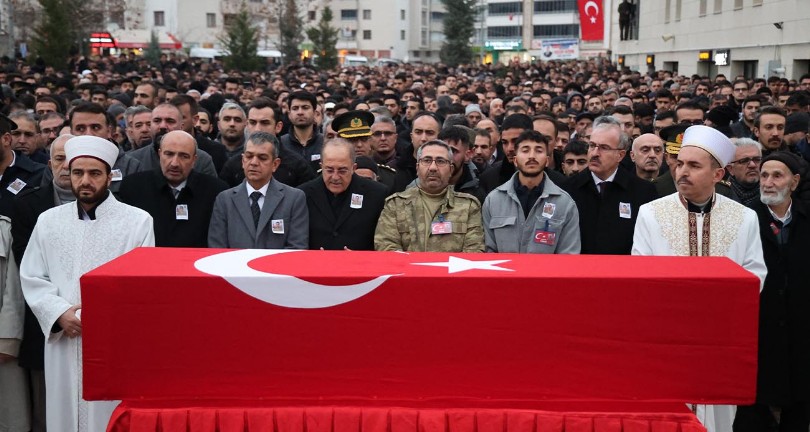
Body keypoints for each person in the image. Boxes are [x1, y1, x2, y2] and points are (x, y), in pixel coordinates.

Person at [632, 125, 767, 432]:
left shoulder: (744, 217)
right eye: (680, 164)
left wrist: (718, 306)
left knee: (718, 416)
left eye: (694, 166)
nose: (683, 172)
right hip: (666, 339)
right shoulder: (650, 214)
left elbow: (755, 273)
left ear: (718, 175)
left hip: (721, 339)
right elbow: (640, 273)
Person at [20, 135, 155, 432]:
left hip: (111, 341)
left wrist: (95, 316)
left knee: (108, 416)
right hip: (63, 339)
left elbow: (139, 283)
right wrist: (59, 313)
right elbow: (32, 275)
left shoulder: (138, 222)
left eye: (94, 173)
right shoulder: (48, 221)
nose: (85, 181)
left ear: (109, 176)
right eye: (78, 173)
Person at [734, 152, 810, 432]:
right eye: (764, 175)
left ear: (795, 181)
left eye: (777, 175)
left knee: (799, 404)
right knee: (754, 406)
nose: (767, 182)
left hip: (800, 325)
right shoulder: (744, 217)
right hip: (759, 324)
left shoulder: (806, 216)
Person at [562, 116, 658, 254]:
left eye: (604, 148)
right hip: (580, 270)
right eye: (592, 146)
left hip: (624, 271)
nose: (595, 153)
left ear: (620, 155)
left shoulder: (643, 192)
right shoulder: (568, 189)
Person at [119, 130, 228, 247]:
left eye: (184, 156)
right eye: (169, 154)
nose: (175, 163)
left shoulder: (215, 191)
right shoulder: (133, 187)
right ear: (159, 154)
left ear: (194, 160)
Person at [375, 140, 484, 252]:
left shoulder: (468, 206)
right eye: (427, 160)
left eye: (440, 161)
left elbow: (474, 251)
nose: (433, 167)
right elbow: (386, 246)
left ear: (451, 169)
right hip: (408, 269)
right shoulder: (395, 205)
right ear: (417, 168)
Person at [482, 130, 580, 253]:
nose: (532, 156)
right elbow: (487, 251)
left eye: (539, 151)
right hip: (504, 272)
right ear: (515, 160)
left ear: (547, 161)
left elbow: (569, 254)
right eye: (525, 150)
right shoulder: (493, 200)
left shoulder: (565, 203)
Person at [208, 131, 309, 249]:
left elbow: (297, 247)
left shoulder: (294, 198)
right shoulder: (224, 200)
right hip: (234, 266)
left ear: (275, 164)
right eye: (249, 156)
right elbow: (217, 248)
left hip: (276, 267)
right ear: (243, 160)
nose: (254, 163)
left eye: (262, 158)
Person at [298, 139, 388, 250]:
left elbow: (384, 241)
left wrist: (359, 259)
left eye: (342, 170)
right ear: (321, 166)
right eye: (329, 170)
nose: (335, 177)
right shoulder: (304, 194)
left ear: (353, 168)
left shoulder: (376, 194)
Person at [0, 213, 27, 432]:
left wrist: (8, 339)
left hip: (0, 340)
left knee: (9, 418)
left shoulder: (4, 228)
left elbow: (14, 289)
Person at [726, 138, 763, 208]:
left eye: (757, 160)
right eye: (744, 161)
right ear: (730, 169)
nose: (752, 165)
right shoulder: (720, 196)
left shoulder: (772, 193)